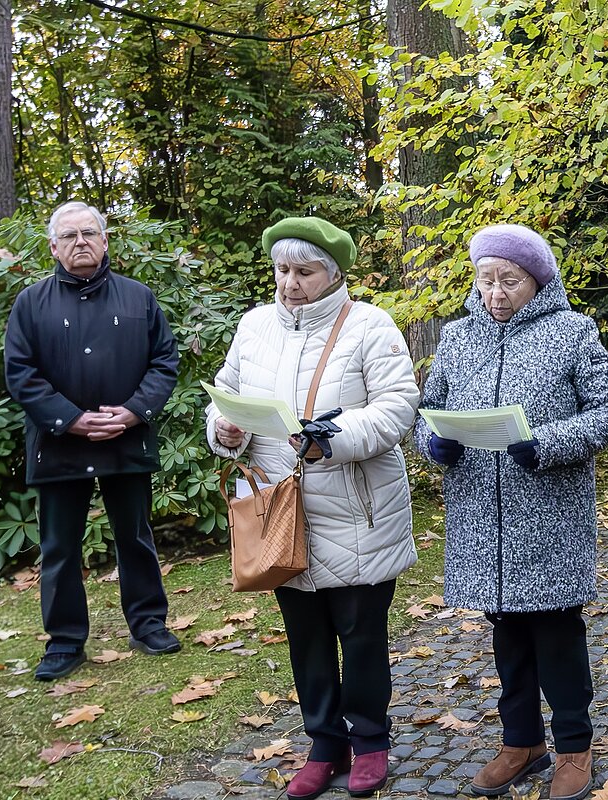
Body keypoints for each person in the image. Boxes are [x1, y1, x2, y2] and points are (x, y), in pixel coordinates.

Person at [206, 217, 419, 800]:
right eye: (282, 270)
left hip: (358, 511)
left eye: (305, 272)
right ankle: (325, 744)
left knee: (361, 636)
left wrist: (335, 436)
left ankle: (371, 741)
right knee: (306, 639)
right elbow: (228, 392)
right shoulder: (253, 327)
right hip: (281, 512)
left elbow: (399, 407)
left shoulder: (371, 326)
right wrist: (223, 430)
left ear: (334, 273)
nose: (290, 283)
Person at [414, 224, 608, 800]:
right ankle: (522, 742)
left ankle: (574, 750)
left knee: (557, 634)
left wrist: (549, 443)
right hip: (480, 514)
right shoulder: (458, 339)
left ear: (537, 281)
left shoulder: (573, 333)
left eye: (509, 281)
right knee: (506, 635)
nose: (495, 293)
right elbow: (426, 413)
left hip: (549, 514)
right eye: (485, 280)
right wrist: (433, 442)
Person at [4, 201, 182, 682]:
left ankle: (147, 625)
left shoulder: (139, 297)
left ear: (105, 240)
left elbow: (164, 361)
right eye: (69, 236)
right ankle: (64, 641)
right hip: (60, 444)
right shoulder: (30, 303)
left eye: (89, 233)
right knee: (59, 546)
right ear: (53, 247)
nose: (80, 242)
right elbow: (20, 374)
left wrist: (133, 412)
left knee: (136, 538)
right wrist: (71, 420)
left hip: (127, 439)